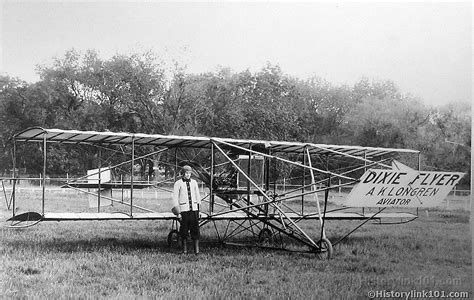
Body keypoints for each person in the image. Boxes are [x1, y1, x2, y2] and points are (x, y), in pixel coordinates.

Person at [172, 165, 202, 254]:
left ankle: (196, 250)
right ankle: (184, 250)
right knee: (184, 230)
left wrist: (199, 211)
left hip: (194, 210)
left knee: (195, 229)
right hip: (184, 210)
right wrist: (178, 212)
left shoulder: (194, 183)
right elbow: (175, 198)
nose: (188, 175)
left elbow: (198, 196)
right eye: (186, 173)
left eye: (189, 173)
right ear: (183, 173)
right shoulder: (178, 183)